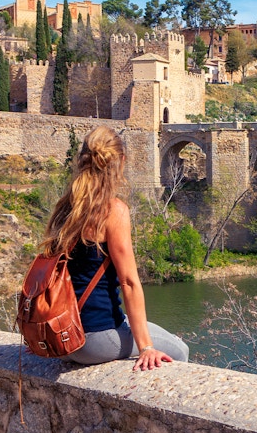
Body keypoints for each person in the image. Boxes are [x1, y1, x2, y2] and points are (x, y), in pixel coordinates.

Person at [41, 125, 189, 371]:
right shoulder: (112, 211)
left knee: (154, 331)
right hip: (93, 339)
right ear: (121, 161)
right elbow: (129, 282)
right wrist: (145, 348)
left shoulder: (65, 207)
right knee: (178, 349)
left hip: (60, 337)